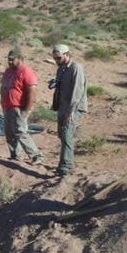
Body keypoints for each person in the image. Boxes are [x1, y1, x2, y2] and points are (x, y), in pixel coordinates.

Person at [0, 48, 44, 165]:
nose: (9, 62)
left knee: (20, 132)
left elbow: (32, 91)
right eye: (8, 59)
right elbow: (3, 87)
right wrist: (3, 104)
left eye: (12, 60)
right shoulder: (8, 71)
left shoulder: (26, 71)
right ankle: (16, 155)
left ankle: (36, 156)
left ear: (20, 59)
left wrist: (27, 109)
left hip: (19, 108)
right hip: (8, 107)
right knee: (9, 132)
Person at [49, 44, 87, 176]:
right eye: (55, 58)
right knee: (62, 135)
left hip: (73, 108)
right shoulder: (61, 69)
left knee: (66, 134)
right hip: (62, 106)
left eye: (58, 58)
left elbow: (77, 91)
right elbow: (61, 83)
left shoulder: (76, 68)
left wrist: (71, 111)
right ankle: (64, 163)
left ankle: (66, 166)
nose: (56, 61)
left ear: (67, 54)